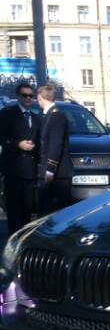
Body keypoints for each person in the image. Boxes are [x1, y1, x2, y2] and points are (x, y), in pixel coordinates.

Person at [0, 82, 41, 234]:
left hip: (30, 169)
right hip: (14, 168)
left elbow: (39, 141)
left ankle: (24, 238)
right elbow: (2, 137)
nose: (28, 98)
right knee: (14, 209)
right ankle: (14, 239)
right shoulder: (7, 114)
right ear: (18, 96)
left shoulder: (35, 117)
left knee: (28, 208)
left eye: (31, 95)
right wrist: (18, 144)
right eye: (25, 95)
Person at [36, 84, 73, 215]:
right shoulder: (49, 115)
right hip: (53, 171)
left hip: (58, 173)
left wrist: (50, 170)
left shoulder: (56, 116)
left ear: (40, 98)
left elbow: (55, 145)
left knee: (56, 212)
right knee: (46, 210)